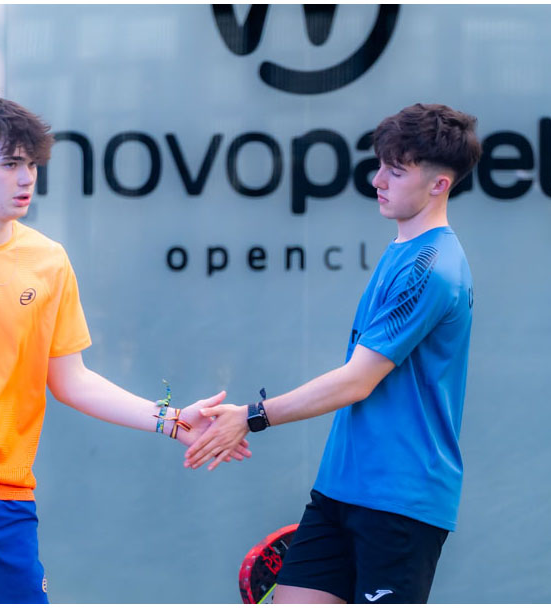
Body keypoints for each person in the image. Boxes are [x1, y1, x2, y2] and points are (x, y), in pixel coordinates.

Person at [0, 95, 249, 603]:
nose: (27, 177)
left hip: (9, 498)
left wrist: (172, 420)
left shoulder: (49, 262)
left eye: (31, 164)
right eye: (10, 163)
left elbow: (72, 380)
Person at [185, 103, 482, 604]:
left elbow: (356, 381)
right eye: (380, 165)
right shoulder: (404, 251)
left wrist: (252, 416)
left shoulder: (431, 268)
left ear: (439, 185)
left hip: (400, 500)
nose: (377, 180)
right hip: (340, 489)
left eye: (396, 171)